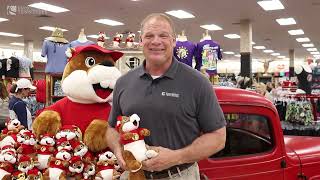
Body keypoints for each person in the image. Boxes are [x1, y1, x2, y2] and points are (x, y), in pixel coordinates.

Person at [107, 13, 226, 179]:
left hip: (179, 174)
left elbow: (218, 138)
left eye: (163, 35)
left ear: (174, 41)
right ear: (141, 41)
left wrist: (176, 157)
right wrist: (118, 151)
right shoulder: (123, 82)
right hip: (133, 174)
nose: (156, 41)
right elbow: (111, 128)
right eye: (149, 36)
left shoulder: (198, 83)